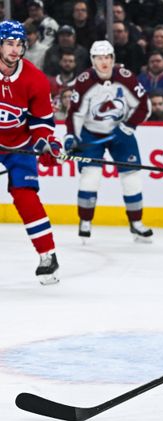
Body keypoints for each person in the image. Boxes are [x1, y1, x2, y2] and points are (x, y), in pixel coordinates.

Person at [64, 40, 153, 242]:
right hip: (91, 133)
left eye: (107, 57)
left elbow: (143, 106)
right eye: (99, 58)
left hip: (120, 132)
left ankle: (136, 223)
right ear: (92, 61)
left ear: (113, 59)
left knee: (132, 178)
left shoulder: (126, 78)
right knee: (91, 177)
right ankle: (85, 221)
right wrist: (71, 136)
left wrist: (128, 126)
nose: (103, 62)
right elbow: (75, 113)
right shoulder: (84, 80)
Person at [0, 20, 63, 284]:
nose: (15, 50)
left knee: (26, 196)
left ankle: (48, 255)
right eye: (9, 44)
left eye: (19, 45)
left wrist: (47, 145)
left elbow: (41, 124)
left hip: (19, 147)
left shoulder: (35, 79)